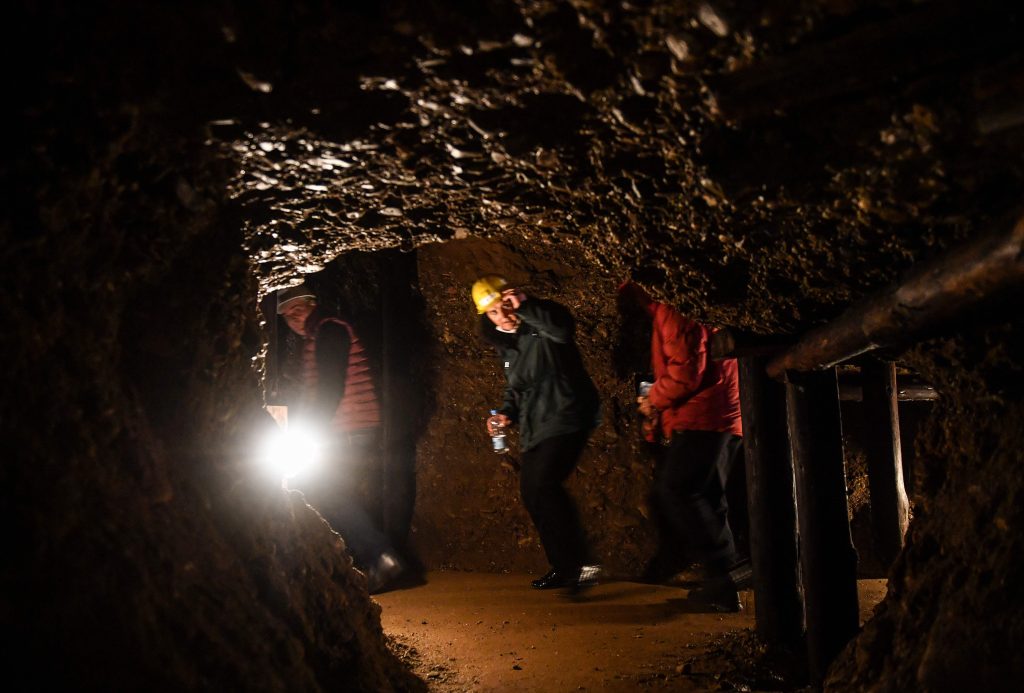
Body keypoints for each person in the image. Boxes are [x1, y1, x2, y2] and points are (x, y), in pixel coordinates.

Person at [618, 280, 745, 612]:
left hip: (703, 416)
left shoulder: (670, 308)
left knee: (677, 490)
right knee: (707, 497)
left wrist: (652, 400)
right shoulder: (690, 299)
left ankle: (721, 578)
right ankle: (725, 580)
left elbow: (686, 373)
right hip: (723, 414)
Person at [473, 275, 602, 592]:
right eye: (492, 312)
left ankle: (583, 564)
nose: (501, 315)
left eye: (502, 306)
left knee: (544, 484)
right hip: (536, 426)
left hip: (566, 413)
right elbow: (515, 392)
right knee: (532, 492)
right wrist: (505, 414)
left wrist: (527, 306)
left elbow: (562, 330)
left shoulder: (540, 323)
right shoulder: (509, 348)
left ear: (512, 299)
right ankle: (566, 567)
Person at [276, 284, 406, 594]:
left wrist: (310, 430)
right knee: (330, 493)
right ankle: (371, 559)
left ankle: (380, 556)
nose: (293, 316)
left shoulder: (329, 329)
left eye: (298, 307)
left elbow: (331, 386)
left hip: (347, 428)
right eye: (286, 313)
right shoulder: (317, 333)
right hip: (346, 427)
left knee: (324, 491)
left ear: (313, 303)